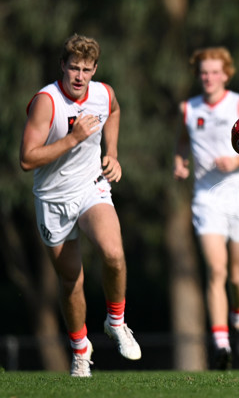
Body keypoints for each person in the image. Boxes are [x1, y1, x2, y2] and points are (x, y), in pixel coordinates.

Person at [19, 34, 141, 377]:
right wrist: (73, 139)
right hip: (53, 200)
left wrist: (112, 152)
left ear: (95, 70)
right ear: (62, 65)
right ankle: (80, 349)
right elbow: (27, 159)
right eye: (74, 67)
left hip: (91, 189)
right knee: (71, 279)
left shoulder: (103, 93)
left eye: (86, 69)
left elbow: (114, 110)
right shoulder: (48, 101)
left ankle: (116, 322)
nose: (79, 76)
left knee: (113, 253)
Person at [173, 46, 239, 370]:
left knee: (236, 275)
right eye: (203, 72)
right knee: (216, 270)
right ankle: (220, 344)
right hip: (206, 197)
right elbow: (181, 141)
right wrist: (180, 163)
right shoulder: (188, 108)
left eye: (215, 72)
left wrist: (237, 160)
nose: (208, 77)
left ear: (226, 74)